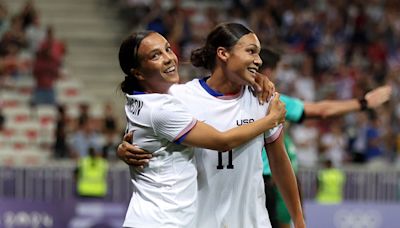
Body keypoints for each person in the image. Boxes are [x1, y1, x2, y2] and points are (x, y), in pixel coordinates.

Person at [118, 23, 305, 228]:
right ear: (223, 54)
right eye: (251, 52)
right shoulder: (178, 97)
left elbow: (280, 164)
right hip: (199, 221)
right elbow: (148, 126)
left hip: (252, 221)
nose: (258, 61)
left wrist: (298, 219)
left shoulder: (264, 99)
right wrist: (124, 147)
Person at [259, 48, 392, 228]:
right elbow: (322, 110)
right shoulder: (273, 102)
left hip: (243, 182)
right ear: (268, 71)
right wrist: (363, 103)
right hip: (267, 183)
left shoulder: (232, 101)